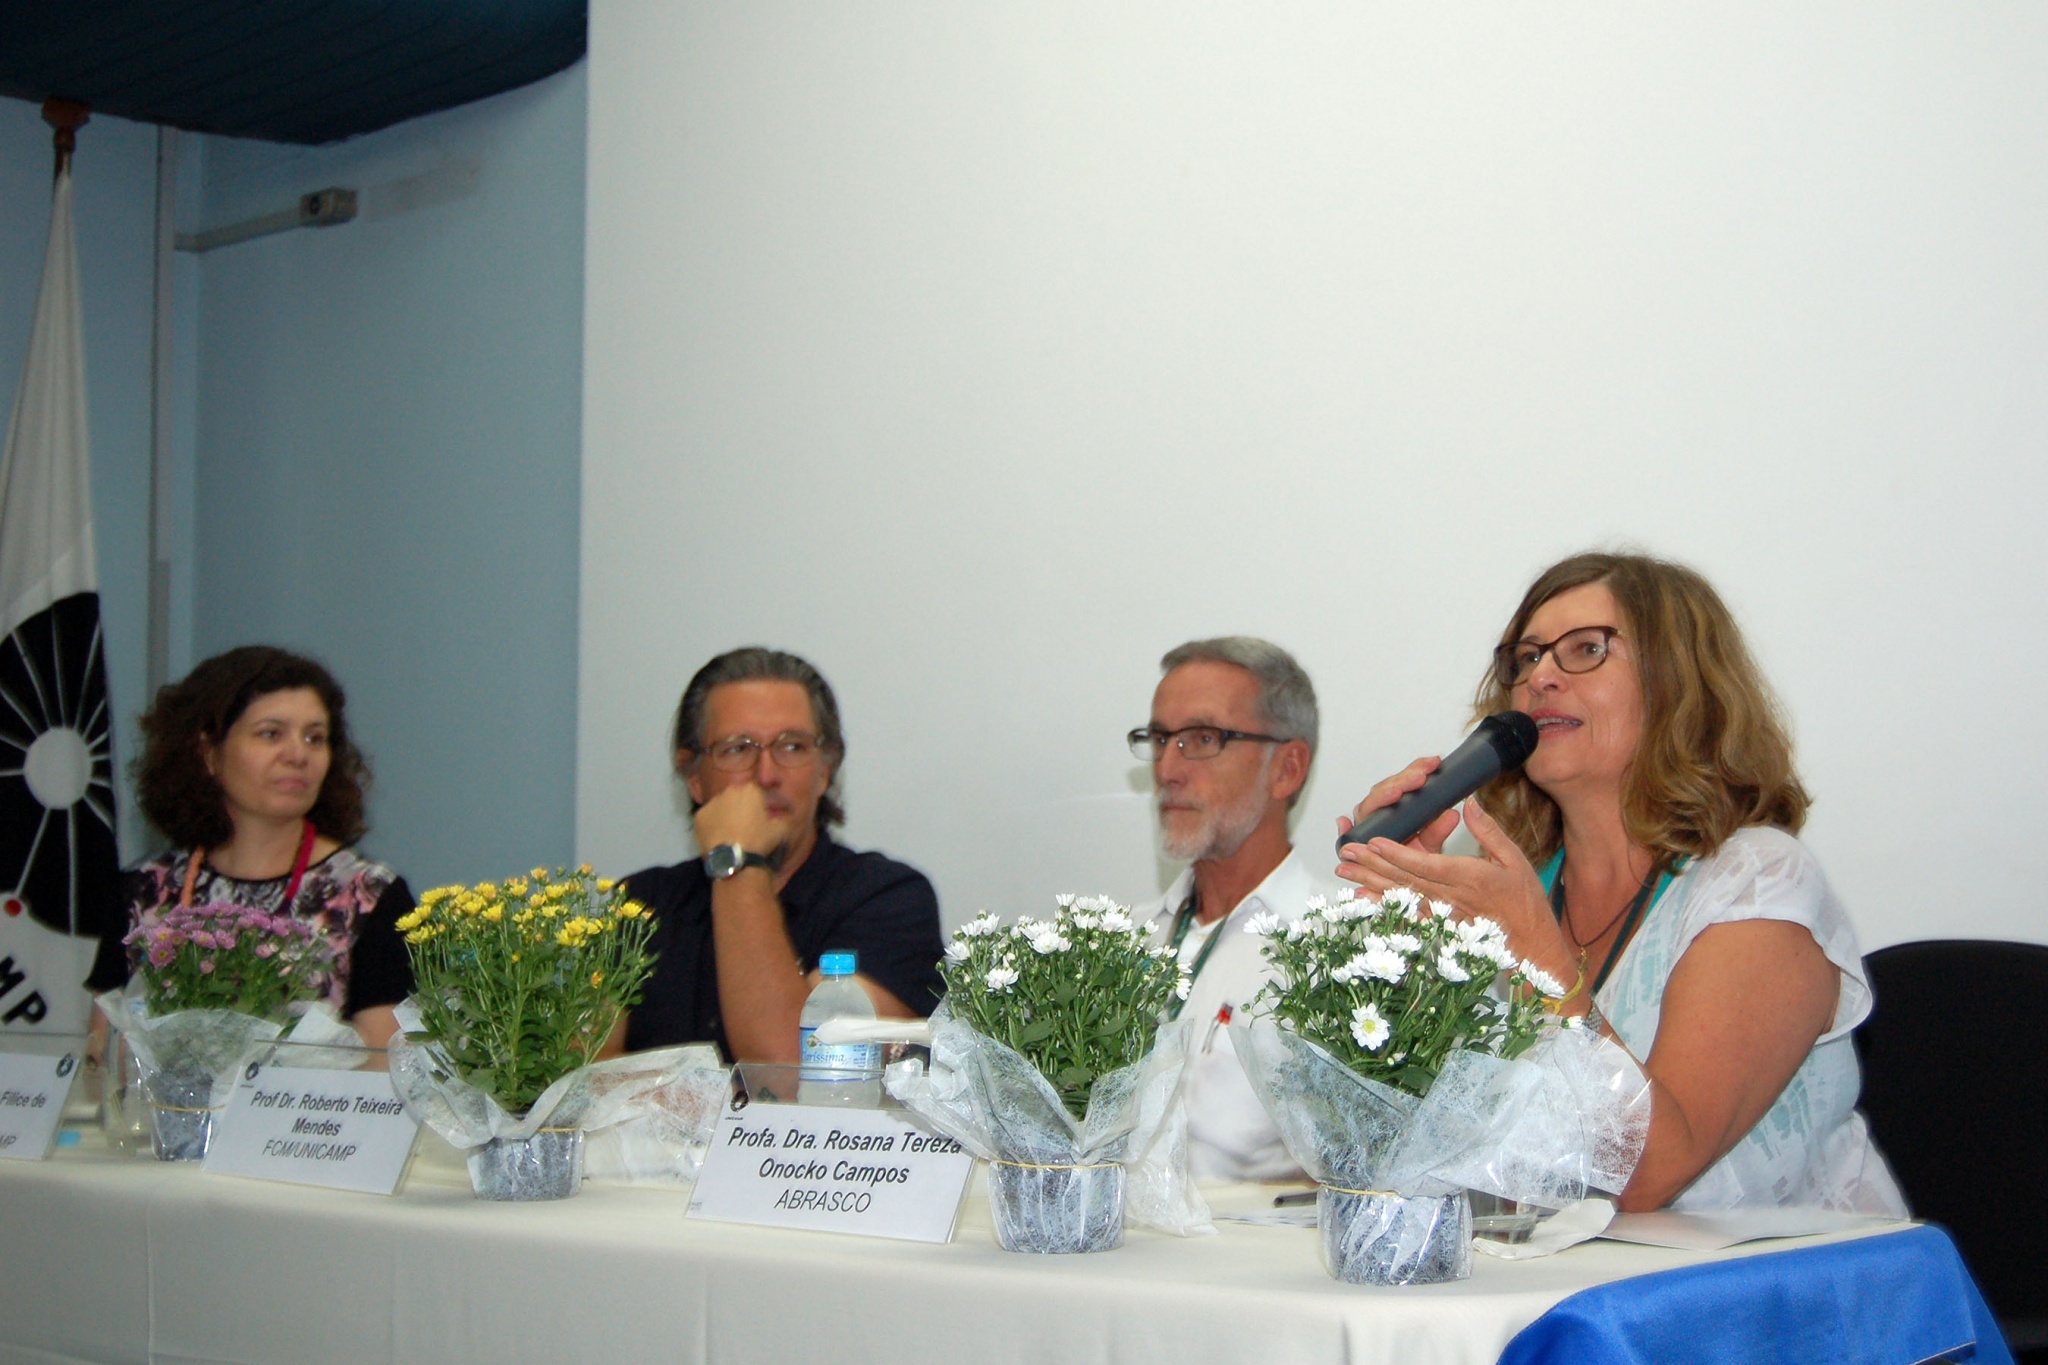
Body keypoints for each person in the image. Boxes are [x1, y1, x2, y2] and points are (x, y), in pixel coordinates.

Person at [1336, 552, 1905, 1214]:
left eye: (1585, 649)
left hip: (1774, 1299)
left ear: (1677, 682)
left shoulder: (1760, 879)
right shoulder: (1511, 889)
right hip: (1562, 1289)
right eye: (1525, 658)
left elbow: (1651, 1172)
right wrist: (1390, 933)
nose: (1540, 676)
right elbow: (1378, 1145)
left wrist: (1530, 951)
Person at [613, 647, 943, 1063]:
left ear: (825, 769)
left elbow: (794, 1066)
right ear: (694, 776)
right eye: (738, 748)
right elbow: (578, 1082)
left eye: (792, 747)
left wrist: (738, 860)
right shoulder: (640, 906)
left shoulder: (888, 897)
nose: (766, 774)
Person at [87, 647, 414, 1048]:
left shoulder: (369, 897)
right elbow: (100, 1061)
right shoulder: (142, 891)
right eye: (271, 733)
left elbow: (386, 1072)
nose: (298, 755)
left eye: (315, 738)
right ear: (209, 754)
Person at [1130, 637, 1321, 1180]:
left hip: (1255, 1258)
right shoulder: (1118, 942)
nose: (1167, 768)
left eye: (1202, 739)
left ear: (1286, 768)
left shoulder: (1342, 951)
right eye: (1161, 738)